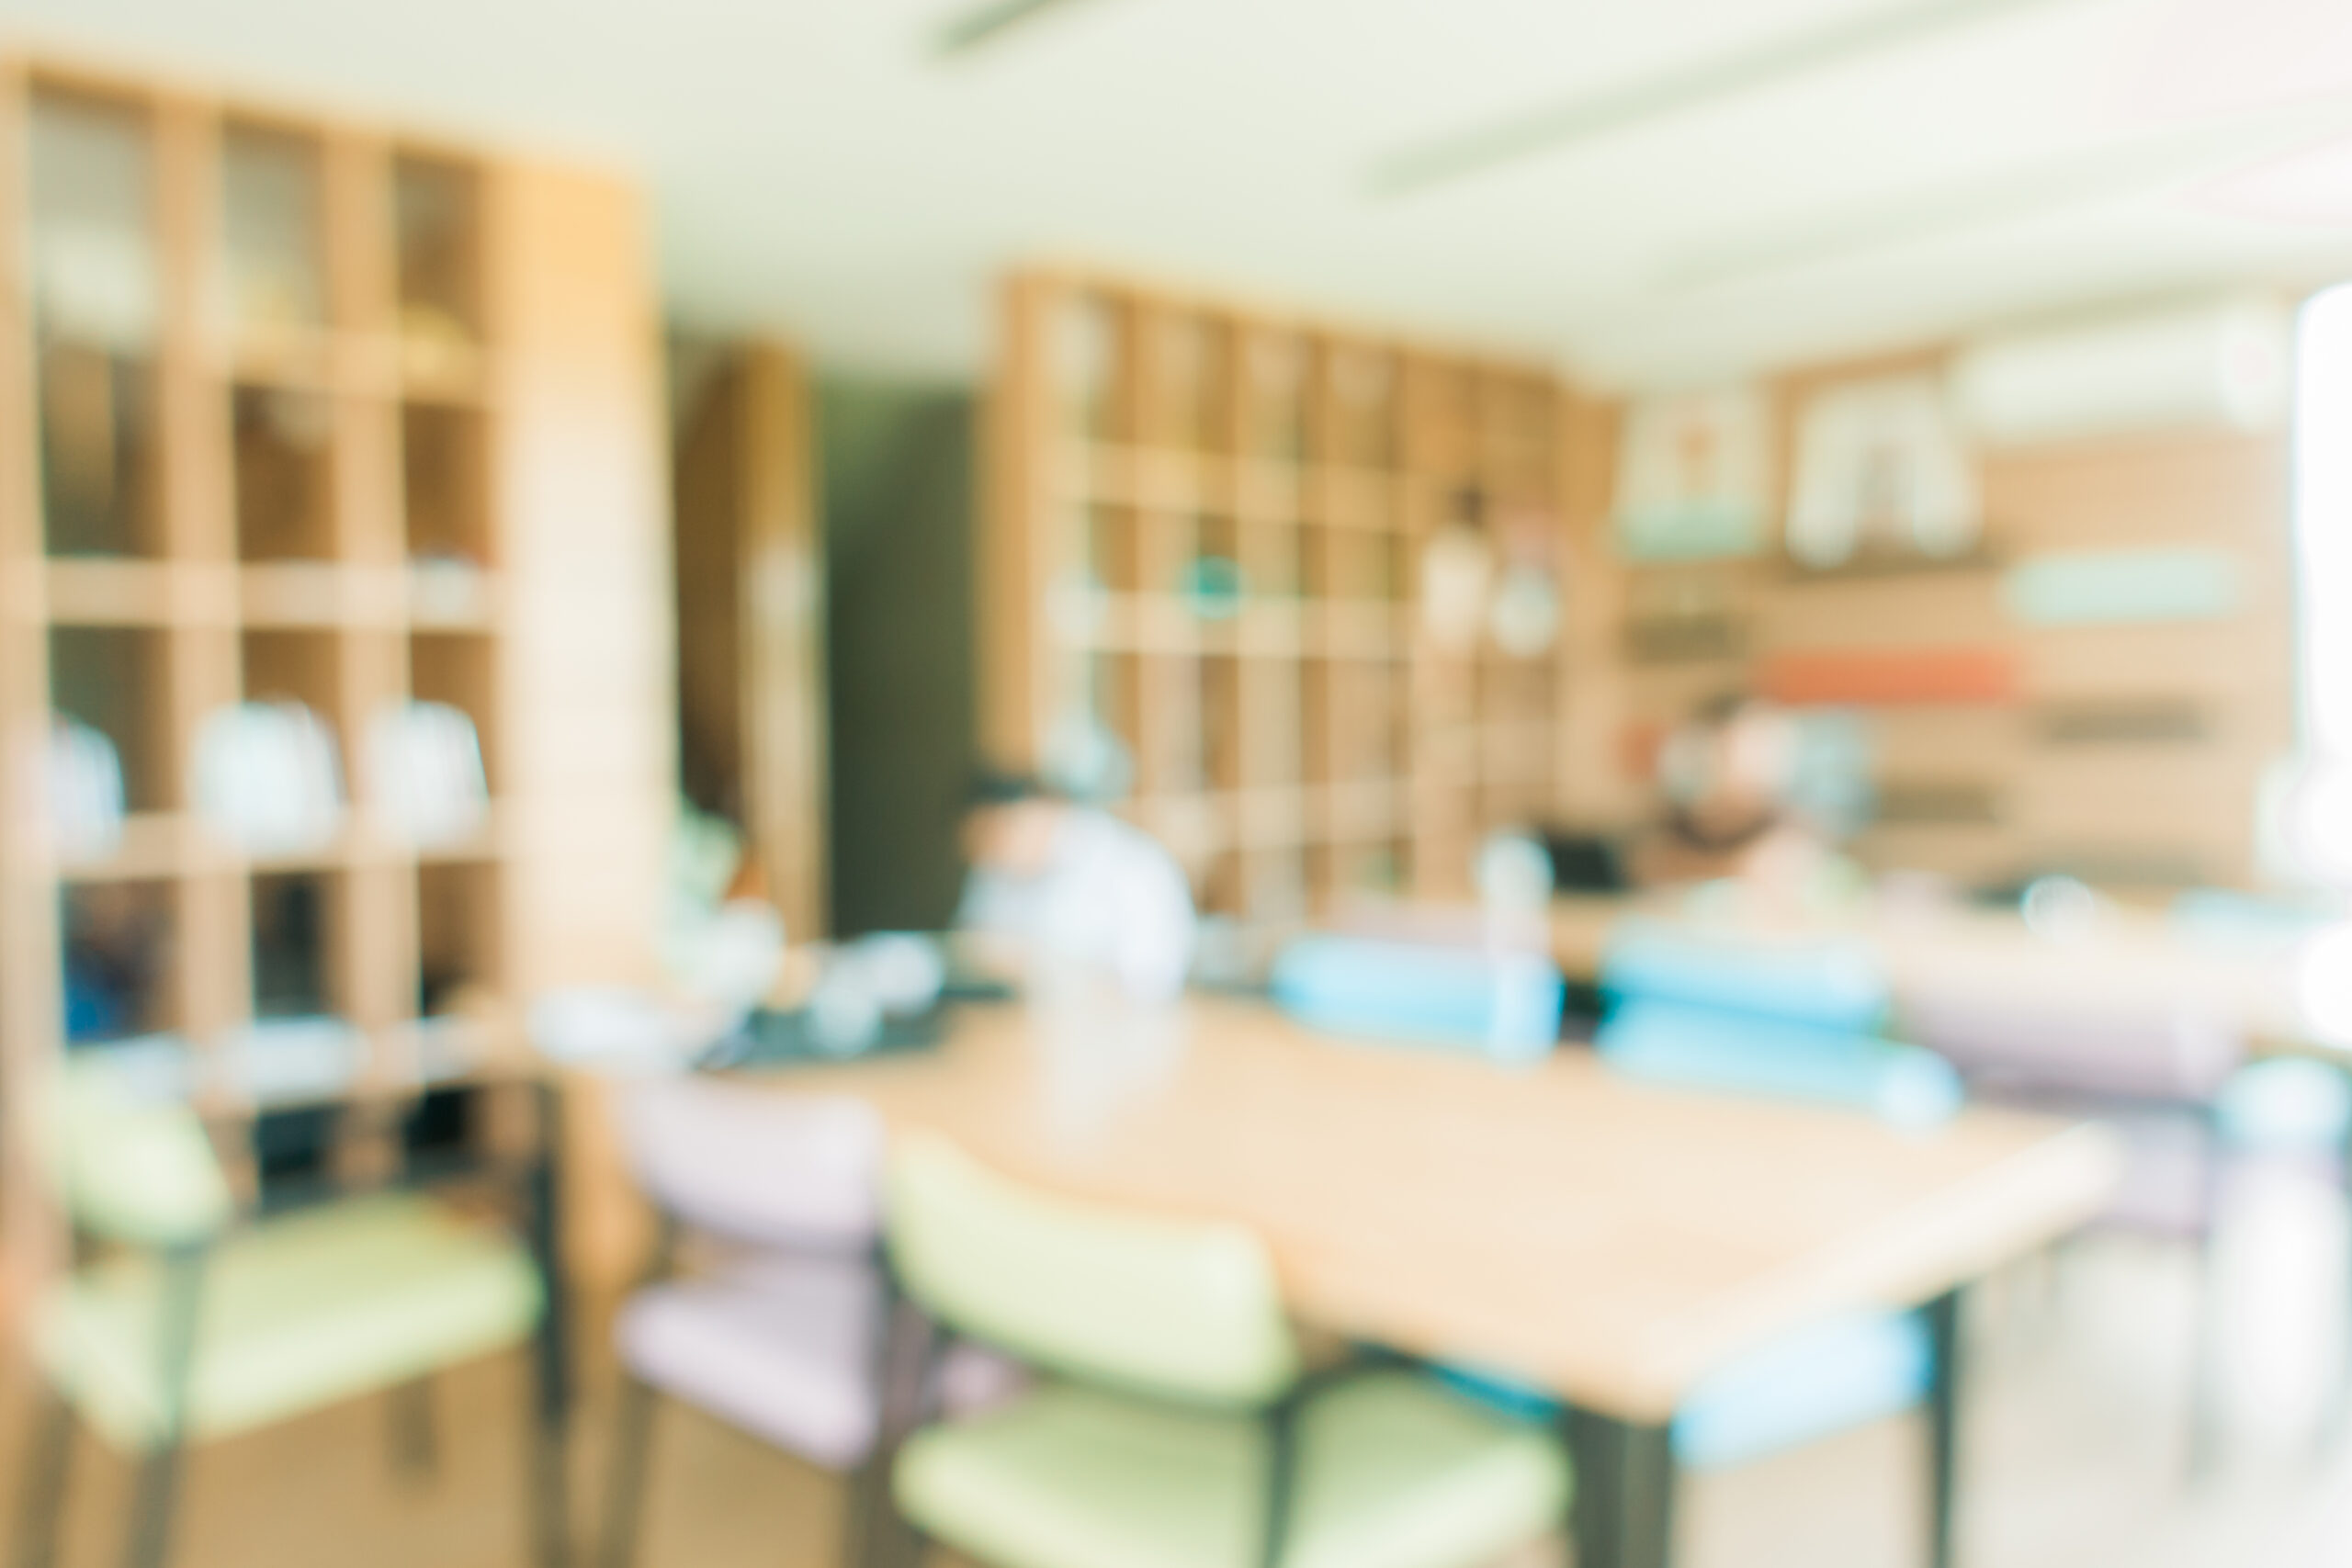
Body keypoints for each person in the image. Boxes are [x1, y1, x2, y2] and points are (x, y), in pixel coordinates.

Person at [954, 770, 1198, 1004]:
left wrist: (1037, 971)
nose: (993, 854)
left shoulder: (1135, 867)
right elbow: (970, 951)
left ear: (1043, 808)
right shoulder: (995, 870)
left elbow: (1151, 983)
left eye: (1000, 833)